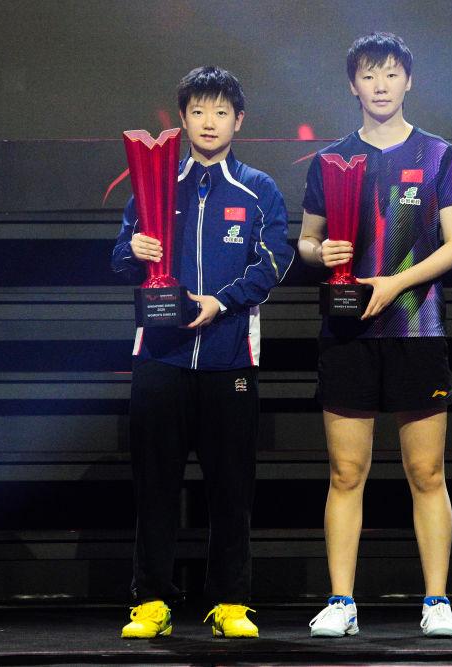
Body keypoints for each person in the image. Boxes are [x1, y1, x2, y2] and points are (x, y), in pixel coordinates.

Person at [297, 32, 452, 638]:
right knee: (346, 472)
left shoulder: (439, 154)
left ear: (408, 81)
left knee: (427, 473)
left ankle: (437, 602)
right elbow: (307, 240)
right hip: (348, 332)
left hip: (417, 328)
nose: (380, 85)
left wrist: (395, 284)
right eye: (369, 75)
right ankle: (341, 602)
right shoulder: (329, 160)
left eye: (391, 74)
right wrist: (321, 252)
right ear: (353, 84)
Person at [112, 65, 293, 639]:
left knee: (232, 489)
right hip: (159, 359)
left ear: (239, 120)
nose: (208, 122)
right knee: (155, 486)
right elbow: (119, 257)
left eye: (220, 112)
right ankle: (151, 602)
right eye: (197, 111)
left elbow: (275, 261)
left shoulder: (259, 189)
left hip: (229, 360)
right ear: (182, 119)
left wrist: (222, 301)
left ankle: (230, 602)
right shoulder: (157, 183)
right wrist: (134, 248)